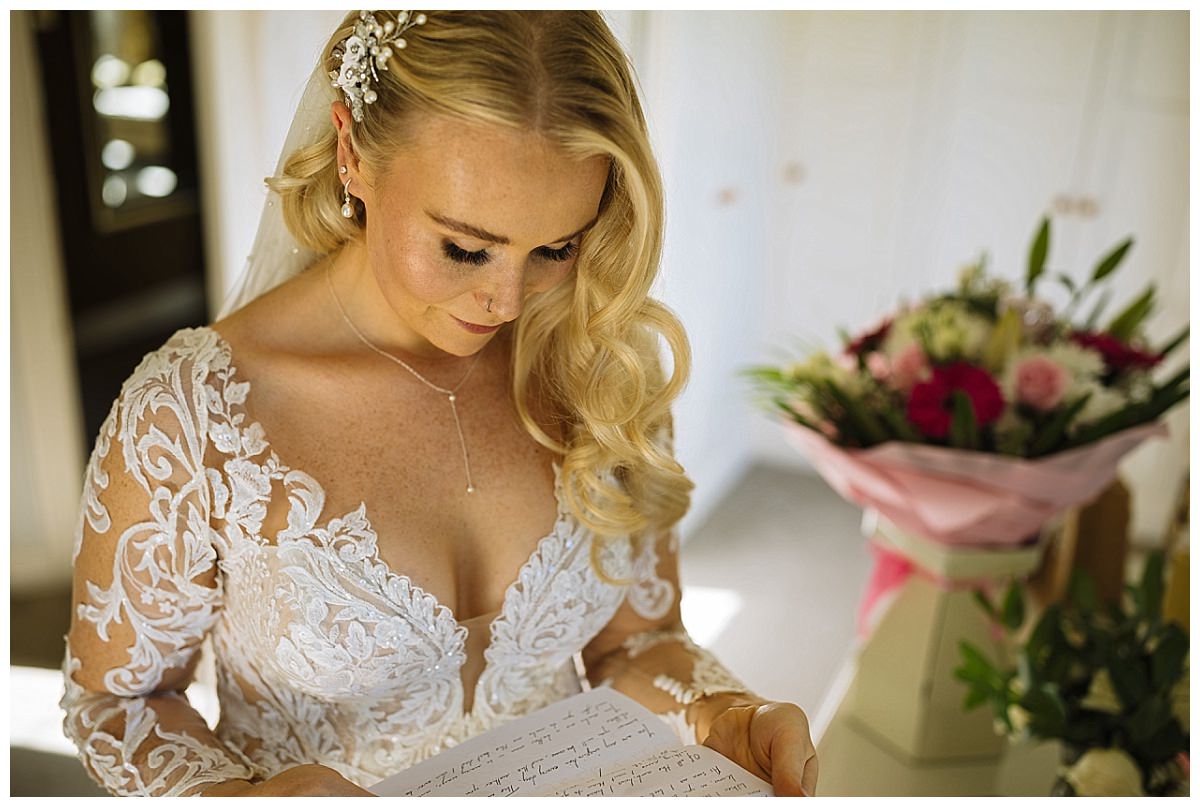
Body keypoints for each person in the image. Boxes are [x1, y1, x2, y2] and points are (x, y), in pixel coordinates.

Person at [59, 10, 818, 797]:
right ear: (352, 152)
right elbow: (117, 702)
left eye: (556, 247)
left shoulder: (598, 368)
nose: (507, 297)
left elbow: (636, 642)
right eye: (464, 246)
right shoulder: (193, 416)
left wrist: (721, 709)